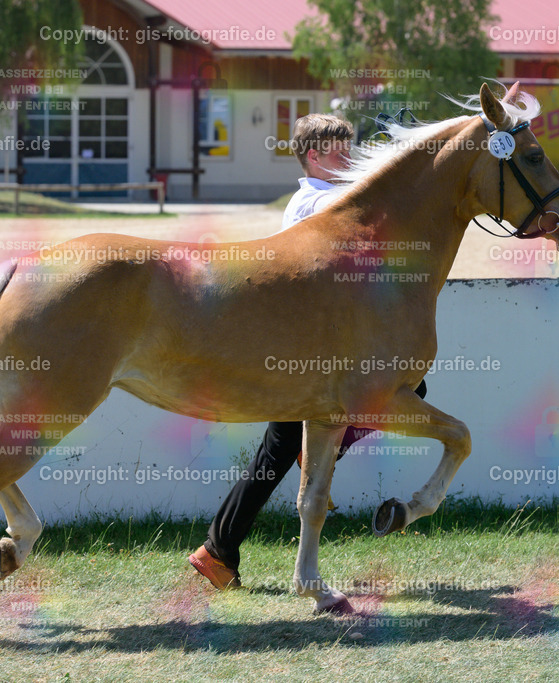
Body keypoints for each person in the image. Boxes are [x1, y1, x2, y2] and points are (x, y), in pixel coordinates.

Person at [188, 114, 426, 589]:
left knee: (274, 456)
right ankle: (220, 548)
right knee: (408, 388)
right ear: (313, 155)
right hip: (312, 354)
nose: (352, 156)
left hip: (320, 351)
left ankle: (217, 551)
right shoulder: (317, 201)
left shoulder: (323, 197)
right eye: (342, 149)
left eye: (353, 146)